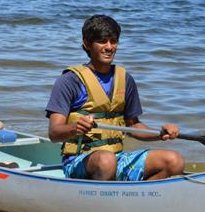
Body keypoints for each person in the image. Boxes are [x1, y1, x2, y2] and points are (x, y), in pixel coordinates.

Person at [46, 14, 184, 181]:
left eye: (113, 41)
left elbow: (134, 126)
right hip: (78, 161)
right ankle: (100, 201)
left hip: (116, 158)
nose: (109, 47)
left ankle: (134, 198)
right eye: (102, 41)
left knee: (174, 161)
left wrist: (160, 133)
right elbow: (54, 133)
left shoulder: (125, 79)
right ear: (87, 44)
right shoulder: (69, 81)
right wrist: (75, 127)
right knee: (106, 160)